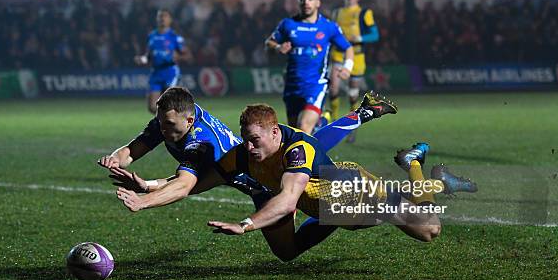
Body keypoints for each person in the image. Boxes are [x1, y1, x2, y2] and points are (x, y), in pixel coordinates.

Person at [207, 104, 477, 262]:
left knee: (430, 229)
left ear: (275, 132)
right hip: (336, 201)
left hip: (360, 194)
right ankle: (435, 181)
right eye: (246, 139)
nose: (249, 146)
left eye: (255, 139)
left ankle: (414, 164)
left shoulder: (296, 148)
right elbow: (322, 139)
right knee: (294, 242)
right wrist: (171, 183)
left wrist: (246, 224)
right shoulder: (259, 151)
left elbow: (291, 193)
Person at [105, 88, 398, 212]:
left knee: (292, 237)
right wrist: (125, 167)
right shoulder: (174, 118)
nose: (162, 129)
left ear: (189, 119)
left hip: (262, 178)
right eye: (160, 122)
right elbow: (134, 151)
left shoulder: (200, 142)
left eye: (167, 124)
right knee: (313, 144)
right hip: (250, 170)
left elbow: (185, 186)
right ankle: (364, 113)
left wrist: (145, 198)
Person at [265, 0, 355, 134]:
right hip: (292, 85)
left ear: (318, 3)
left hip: (315, 84)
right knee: (294, 134)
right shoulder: (288, 24)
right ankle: (322, 121)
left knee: (304, 127)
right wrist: (278, 47)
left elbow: (348, 48)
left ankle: (317, 126)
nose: (306, 2)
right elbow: (269, 43)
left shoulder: (328, 27)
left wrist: (347, 67)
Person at [329, 0, 380, 142]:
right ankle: (333, 124)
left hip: (356, 57)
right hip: (338, 55)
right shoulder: (336, 13)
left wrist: (359, 38)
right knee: (333, 88)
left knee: (352, 95)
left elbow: (375, 35)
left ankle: (352, 128)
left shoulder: (364, 13)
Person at [134, 9, 191, 114]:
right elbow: (149, 56)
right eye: (160, 16)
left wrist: (179, 57)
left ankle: (181, 122)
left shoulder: (175, 37)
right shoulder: (152, 36)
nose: (162, 19)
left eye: (165, 16)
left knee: (169, 105)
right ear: (156, 19)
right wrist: (142, 59)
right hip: (156, 72)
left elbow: (188, 56)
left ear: (170, 20)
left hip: (170, 72)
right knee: (152, 108)